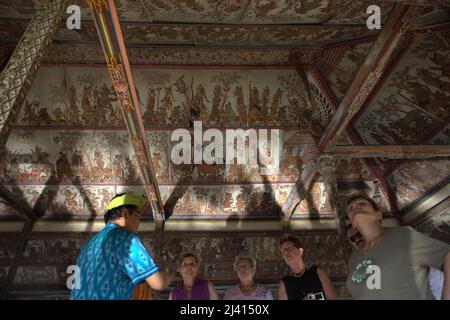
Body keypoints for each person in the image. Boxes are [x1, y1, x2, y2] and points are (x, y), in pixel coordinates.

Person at [345, 194, 450, 299]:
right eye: (350, 208)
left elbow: (447, 256)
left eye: (361, 204)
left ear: (378, 215)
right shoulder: (354, 258)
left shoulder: (404, 235)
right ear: (352, 223)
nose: (355, 207)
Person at [71, 193, 173, 300]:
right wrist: (169, 274)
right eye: (138, 216)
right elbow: (159, 283)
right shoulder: (126, 238)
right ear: (125, 213)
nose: (138, 222)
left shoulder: (88, 245)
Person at [345, 222, 445, 300]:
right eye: (353, 239)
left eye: (359, 234)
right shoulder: (354, 261)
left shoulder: (401, 244)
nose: (357, 239)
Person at [277, 235, 337, 300]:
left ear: (300, 251)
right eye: (283, 250)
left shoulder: (318, 272)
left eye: (289, 247)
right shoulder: (284, 283)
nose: (286, 252)